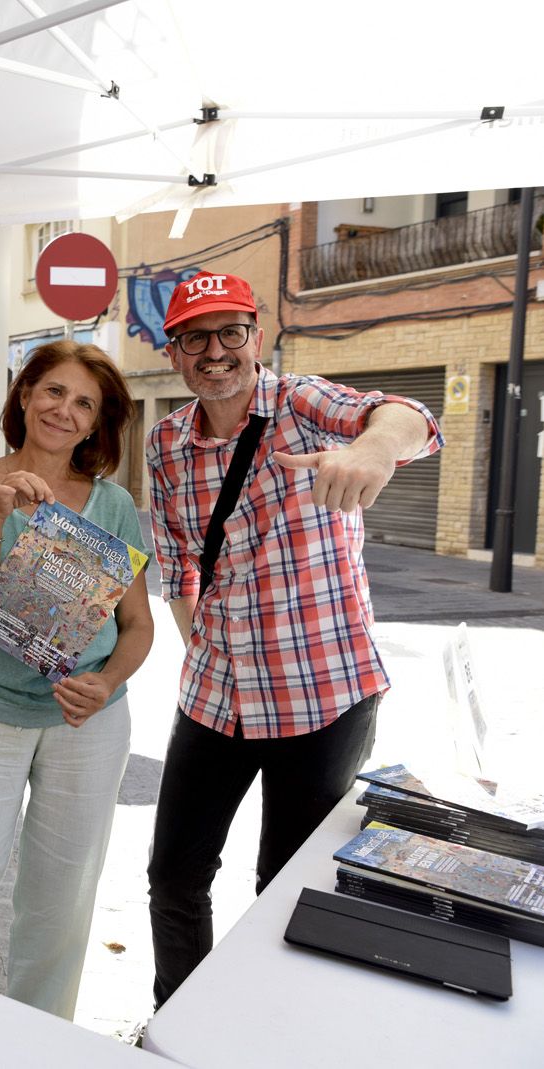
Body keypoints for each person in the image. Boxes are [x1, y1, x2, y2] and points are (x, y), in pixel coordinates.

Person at [145, 271, 442, 1007]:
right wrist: (205, 643)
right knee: (175, 876)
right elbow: (181, 563)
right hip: (215, 697)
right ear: (173, 352)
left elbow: (405, 415)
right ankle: (181, 1021)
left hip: (323, 694)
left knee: (287, 885)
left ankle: (274, 1029)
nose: (214, 352)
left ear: (257, 333)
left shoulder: (303, 405)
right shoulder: (166, 441)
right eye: (194, 337)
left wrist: (375, 450)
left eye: (229, 332)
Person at [0, 341, 154, 1020]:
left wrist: (106, 683)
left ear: (97, 422)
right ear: (24, 394)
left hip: (87, 722)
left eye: (83, 403)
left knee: (61, 897)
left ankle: (39, 1041)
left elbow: (137, 626)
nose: (64, 410)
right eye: (52, 391)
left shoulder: (114, 506)